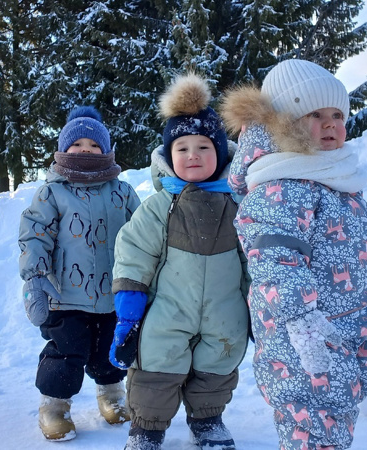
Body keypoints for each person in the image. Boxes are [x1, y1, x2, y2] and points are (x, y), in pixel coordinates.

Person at [219, 59, 367, 449]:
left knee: (336, 421)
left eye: (337, 114)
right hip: (303, 337)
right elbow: (275, 260)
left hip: (347, 328)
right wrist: (300, 318)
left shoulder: (339, 182)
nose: (330, 123)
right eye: (314, 114)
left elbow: (361, 249)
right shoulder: (280, 185)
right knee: (311, 427)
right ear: (282, 123)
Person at [109, 74, 250, 450]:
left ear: (220, 153)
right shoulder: (161, 206)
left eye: (203, 147)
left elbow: (254, 258)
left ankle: (208, 421)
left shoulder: (240, 206)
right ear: (169, 156)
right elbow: (134, 250)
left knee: (217, 366)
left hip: (224, 310)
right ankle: (147, 428)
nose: (192, 155)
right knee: (156, 366)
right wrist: (129, 302)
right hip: (168, 310)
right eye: (182, 148)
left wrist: (260, 303)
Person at [18, 106, 141, 441]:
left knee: (110, 350)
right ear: (63, 150)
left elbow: (142, 233)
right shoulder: (52, 192)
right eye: (77, 144)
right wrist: (36, 277)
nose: (85, 150)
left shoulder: (122, 191)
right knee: (66, 352)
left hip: (113, 294)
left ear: (106, 150)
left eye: (93, 144)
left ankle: (111, 394)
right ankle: (54, 406)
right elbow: (35, 234)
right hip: (65, 296)